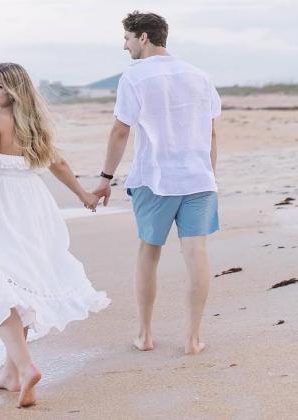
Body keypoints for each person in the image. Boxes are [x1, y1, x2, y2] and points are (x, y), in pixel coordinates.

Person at [0, 62, 110, 407]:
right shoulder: (33, 120)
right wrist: (83, 195)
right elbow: (57, 164)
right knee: (18, 284)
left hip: (3, 211)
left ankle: (26, 368)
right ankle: (10, 374)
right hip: (35, 209)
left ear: (13, 89)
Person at [93, 11, 222, 355]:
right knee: (197, 254)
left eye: (127, 38)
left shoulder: (134, 78)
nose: (125, 46)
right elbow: (211, 131)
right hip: (199, 179)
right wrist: (210, 175)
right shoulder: (199, 75)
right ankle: (193, 339)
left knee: (149, 252)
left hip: (155, 179)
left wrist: (105, 179)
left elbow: (121, 130)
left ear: (144, 37)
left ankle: (145, 335)